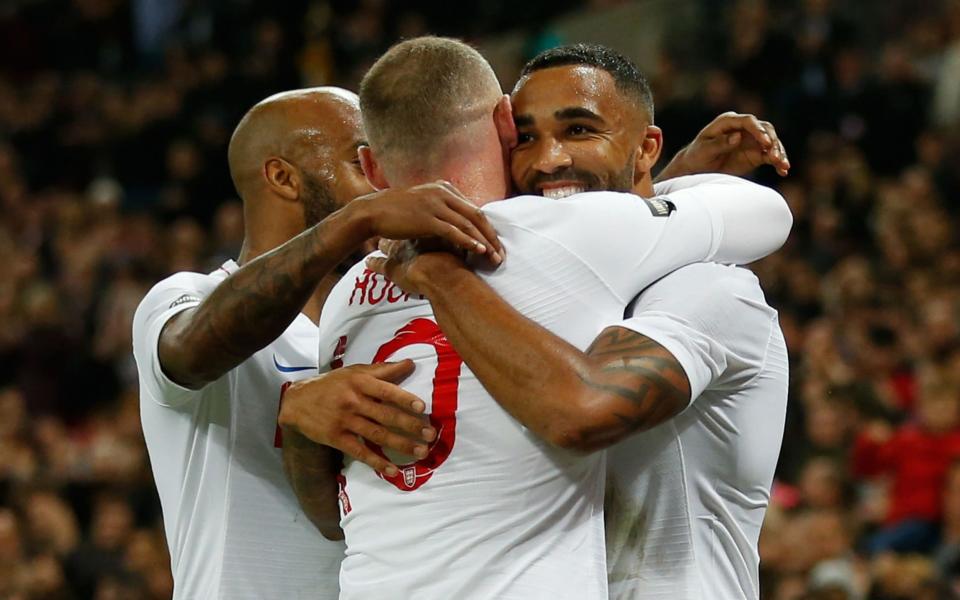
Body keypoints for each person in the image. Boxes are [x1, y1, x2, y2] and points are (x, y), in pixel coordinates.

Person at [293, 36, 791, 599]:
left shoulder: (712, 288)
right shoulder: (539, 262)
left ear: (646, 147)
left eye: (579, 130)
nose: (548, 158)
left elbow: (580, 411)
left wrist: (436, 274)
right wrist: (301, 418)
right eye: (526, 137)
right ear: (503, 132)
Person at [131, 87, 501, 599]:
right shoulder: (188, 295)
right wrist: (358, 219)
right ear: (283, 177)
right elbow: (190, 351)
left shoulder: (391, 315)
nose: (383, 183)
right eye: (360, 160)